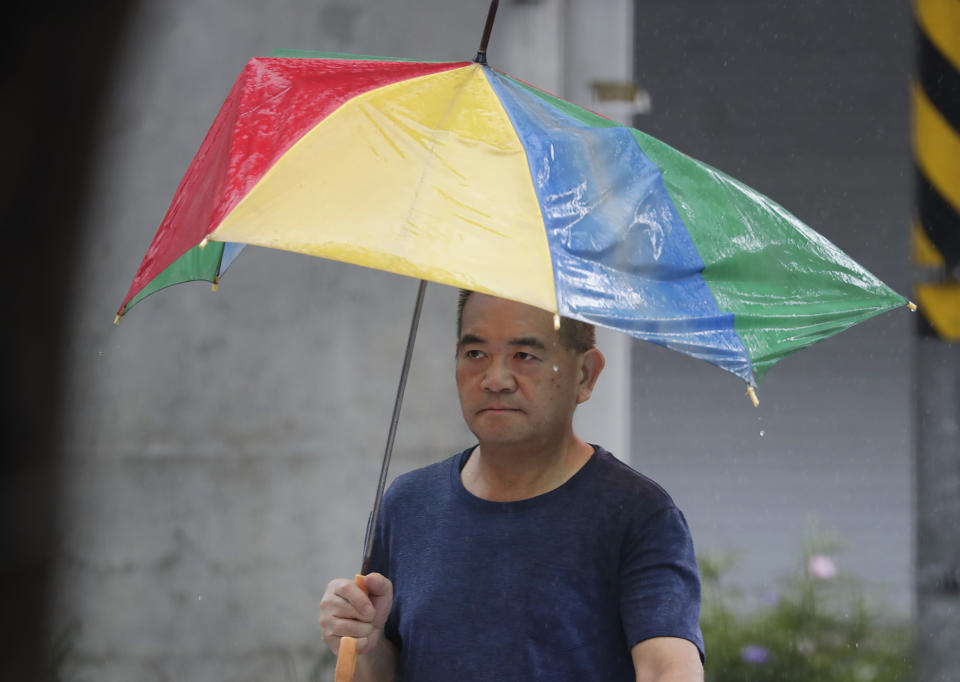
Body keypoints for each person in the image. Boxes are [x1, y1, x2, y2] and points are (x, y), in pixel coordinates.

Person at [319, 291, 704, 681]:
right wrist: (363, 642)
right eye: (475, 354)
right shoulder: (409, 504)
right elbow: (387, 671)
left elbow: (667, 670)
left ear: (585, 375)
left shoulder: (637, 514)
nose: (495, 379)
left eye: (524, 356)